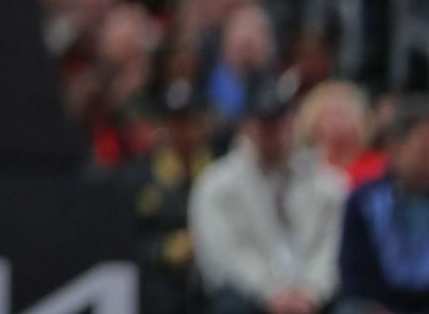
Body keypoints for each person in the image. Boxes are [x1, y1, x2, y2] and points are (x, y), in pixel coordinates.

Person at [188, 76, 345, 314]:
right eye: (264, 124)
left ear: (293, 123)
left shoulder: (328, 183)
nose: (272, 133)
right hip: (249, 297)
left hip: (313, 297)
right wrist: (270, 292)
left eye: (279, 122)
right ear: (246, 126)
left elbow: (334, 247)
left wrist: (313, 291)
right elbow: (221, 256)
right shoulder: (217, 185)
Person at [125, 80, 214, 314]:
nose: (184, 132)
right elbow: (129, 239)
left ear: (203, 124)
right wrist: (166, 249)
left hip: (213, 275)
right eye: (177, 123)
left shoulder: (220, 171)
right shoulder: (142, 177)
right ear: (164, 126)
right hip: (162, 278)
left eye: (191, 122)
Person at [338, 97, 429, 313]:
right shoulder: (364, 200)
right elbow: (353, 272)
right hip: (378, 305)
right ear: (395, 148)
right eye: (424, 152)